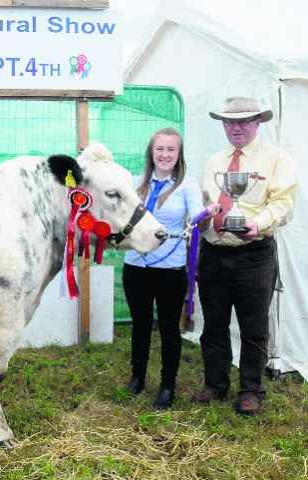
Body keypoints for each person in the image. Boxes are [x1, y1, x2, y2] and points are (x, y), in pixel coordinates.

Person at [192, 96, 298, 415]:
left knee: (254, 327)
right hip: (213, 254)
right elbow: (206, 203)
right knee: (213, 324)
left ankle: (251, 389)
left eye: (242, 121)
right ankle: (215, 384)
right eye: (229, 122)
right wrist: (204, 218)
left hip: (254, 255)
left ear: (257, 123)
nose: (235, 128)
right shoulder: (213, 161)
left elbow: (283, 204)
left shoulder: (277, 160)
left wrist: (257, 223)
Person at [122, 128, 219, 410]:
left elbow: (197, 224)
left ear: (179, 155)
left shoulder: (187, 185)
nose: (165, 155)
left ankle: (167, 387)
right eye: (160, 149)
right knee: (139, 325)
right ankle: (137, 377)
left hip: (169, 270)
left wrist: (206, 217)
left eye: (171, 150)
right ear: (151, 153)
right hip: (136, 266)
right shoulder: (134, 183)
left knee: (168, 329)